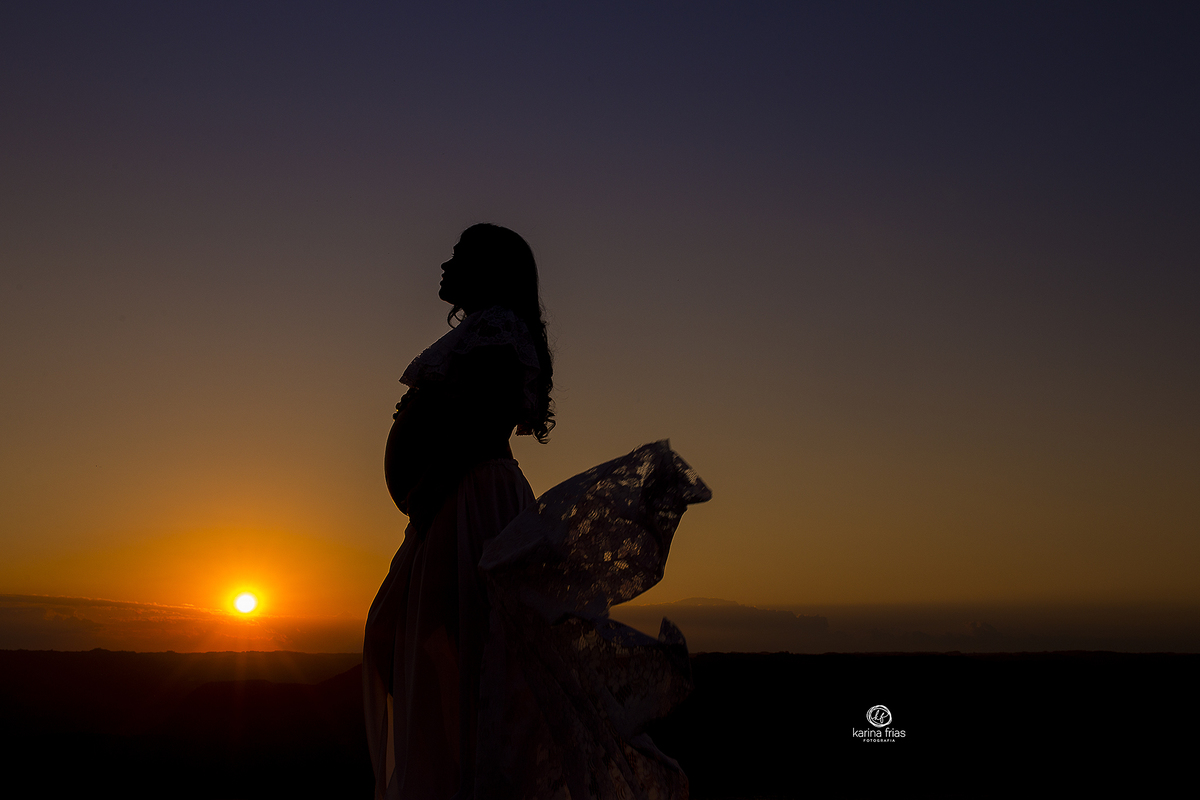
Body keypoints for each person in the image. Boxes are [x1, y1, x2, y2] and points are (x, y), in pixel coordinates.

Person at [363, 224, 709, 800]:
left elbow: (486, 419)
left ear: (488, 268)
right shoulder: (484, 329)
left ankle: (470, 784)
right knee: (423, 646)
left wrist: (431, 492)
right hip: (452, 503)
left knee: (467, 655)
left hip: (469, 503)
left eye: (459, 255)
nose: (444, 264)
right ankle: (457, 779)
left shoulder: (498, 328)